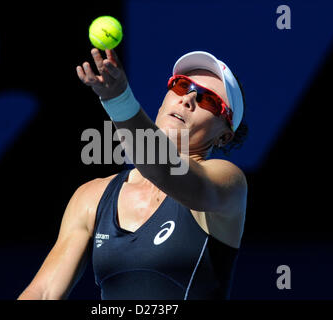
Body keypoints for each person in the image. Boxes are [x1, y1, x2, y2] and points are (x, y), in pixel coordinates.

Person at [18, 48, 248, 300]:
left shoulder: (229, 182)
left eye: (209, 100)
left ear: (224, 136)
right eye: (182, 86)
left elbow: (163, 170)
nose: (187, 99)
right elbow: (43, 293)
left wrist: (120, 101)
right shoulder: (91, 196)